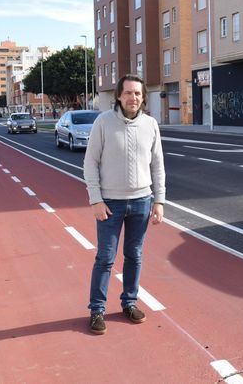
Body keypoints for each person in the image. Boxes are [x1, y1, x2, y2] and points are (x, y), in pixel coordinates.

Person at [83, 74, 165, 335]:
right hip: (110, 204)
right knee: (105, 258)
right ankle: (97, 310)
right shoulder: (103, 123)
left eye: (138, 94)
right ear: (119, 95)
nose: (133, 98)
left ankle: (129, 303)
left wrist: (159, 201)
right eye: (128, 93)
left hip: (142, 201)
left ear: (143, 97)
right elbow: (90, 163)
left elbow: (158, 166)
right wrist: (95, 199)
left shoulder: (151, 125)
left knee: (134, 256)